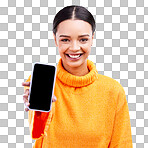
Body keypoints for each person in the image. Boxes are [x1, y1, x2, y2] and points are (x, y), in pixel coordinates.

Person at [22, 5, 133, 148]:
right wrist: (38, 111)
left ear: (92, 38)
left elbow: (122, 144)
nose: (74, 48)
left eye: (83, 39)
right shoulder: (44, 82)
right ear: (55, 40)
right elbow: (36, 134)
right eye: (65, 40)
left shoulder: (112, 90)